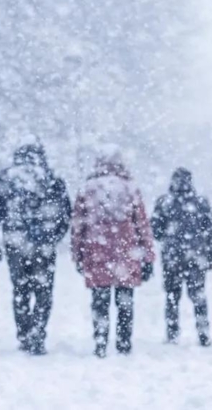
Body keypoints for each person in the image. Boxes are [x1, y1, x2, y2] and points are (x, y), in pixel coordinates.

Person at [0, 142, 71, 355]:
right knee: (43, 292)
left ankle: (24, 335)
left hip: (15, 243)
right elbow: (65, 213)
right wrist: (53, 236)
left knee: (20, 290)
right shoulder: (51, 178)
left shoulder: (7, 178)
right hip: (43, 245)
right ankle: (38, 335)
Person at [71, 150, 155, 358]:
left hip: (96, 253)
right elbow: (142, 225)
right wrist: (147, 255)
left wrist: (78, 254)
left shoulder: (88, 189)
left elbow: (78, 226)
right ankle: (124, 343)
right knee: (125, 302)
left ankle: (100, 341)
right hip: (126, 254)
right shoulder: (130, 188)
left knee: (100, 301)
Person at [151, 168, 212, 346]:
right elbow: (211, 231)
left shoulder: (164, 203)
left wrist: (170, 238)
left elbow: (156, 231)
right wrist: (211, 256)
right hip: (195, 256)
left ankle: (172, 333)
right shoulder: (201, 203)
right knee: (198, 296)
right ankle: (203, 333)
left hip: (172, 258)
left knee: (172, 297)